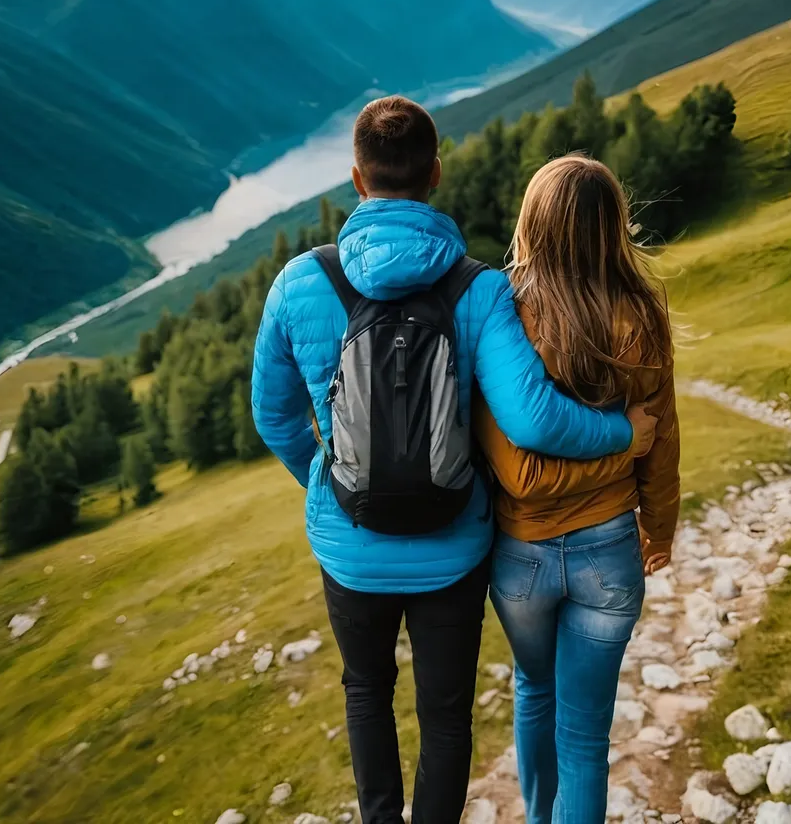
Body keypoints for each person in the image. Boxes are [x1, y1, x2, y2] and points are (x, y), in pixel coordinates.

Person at [251, 98, 655, 824]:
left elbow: (274, 416)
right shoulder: (479, 288)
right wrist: (623, 435)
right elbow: (533, 417)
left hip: (351, 548)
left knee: (366, 691)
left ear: (355, 177)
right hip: (453, 548)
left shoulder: (299, 283)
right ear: (435, 173)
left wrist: (335, 481)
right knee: (445, 717)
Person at [473, 154, 681, 824]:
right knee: (586, 740)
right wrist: (660, 523)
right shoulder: (641, 313)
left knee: (535, 689)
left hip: (522, 557)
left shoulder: (505, 316)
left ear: (534, 225)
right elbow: (660, 431)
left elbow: (519, 474)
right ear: (612, 227)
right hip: (611, 550)